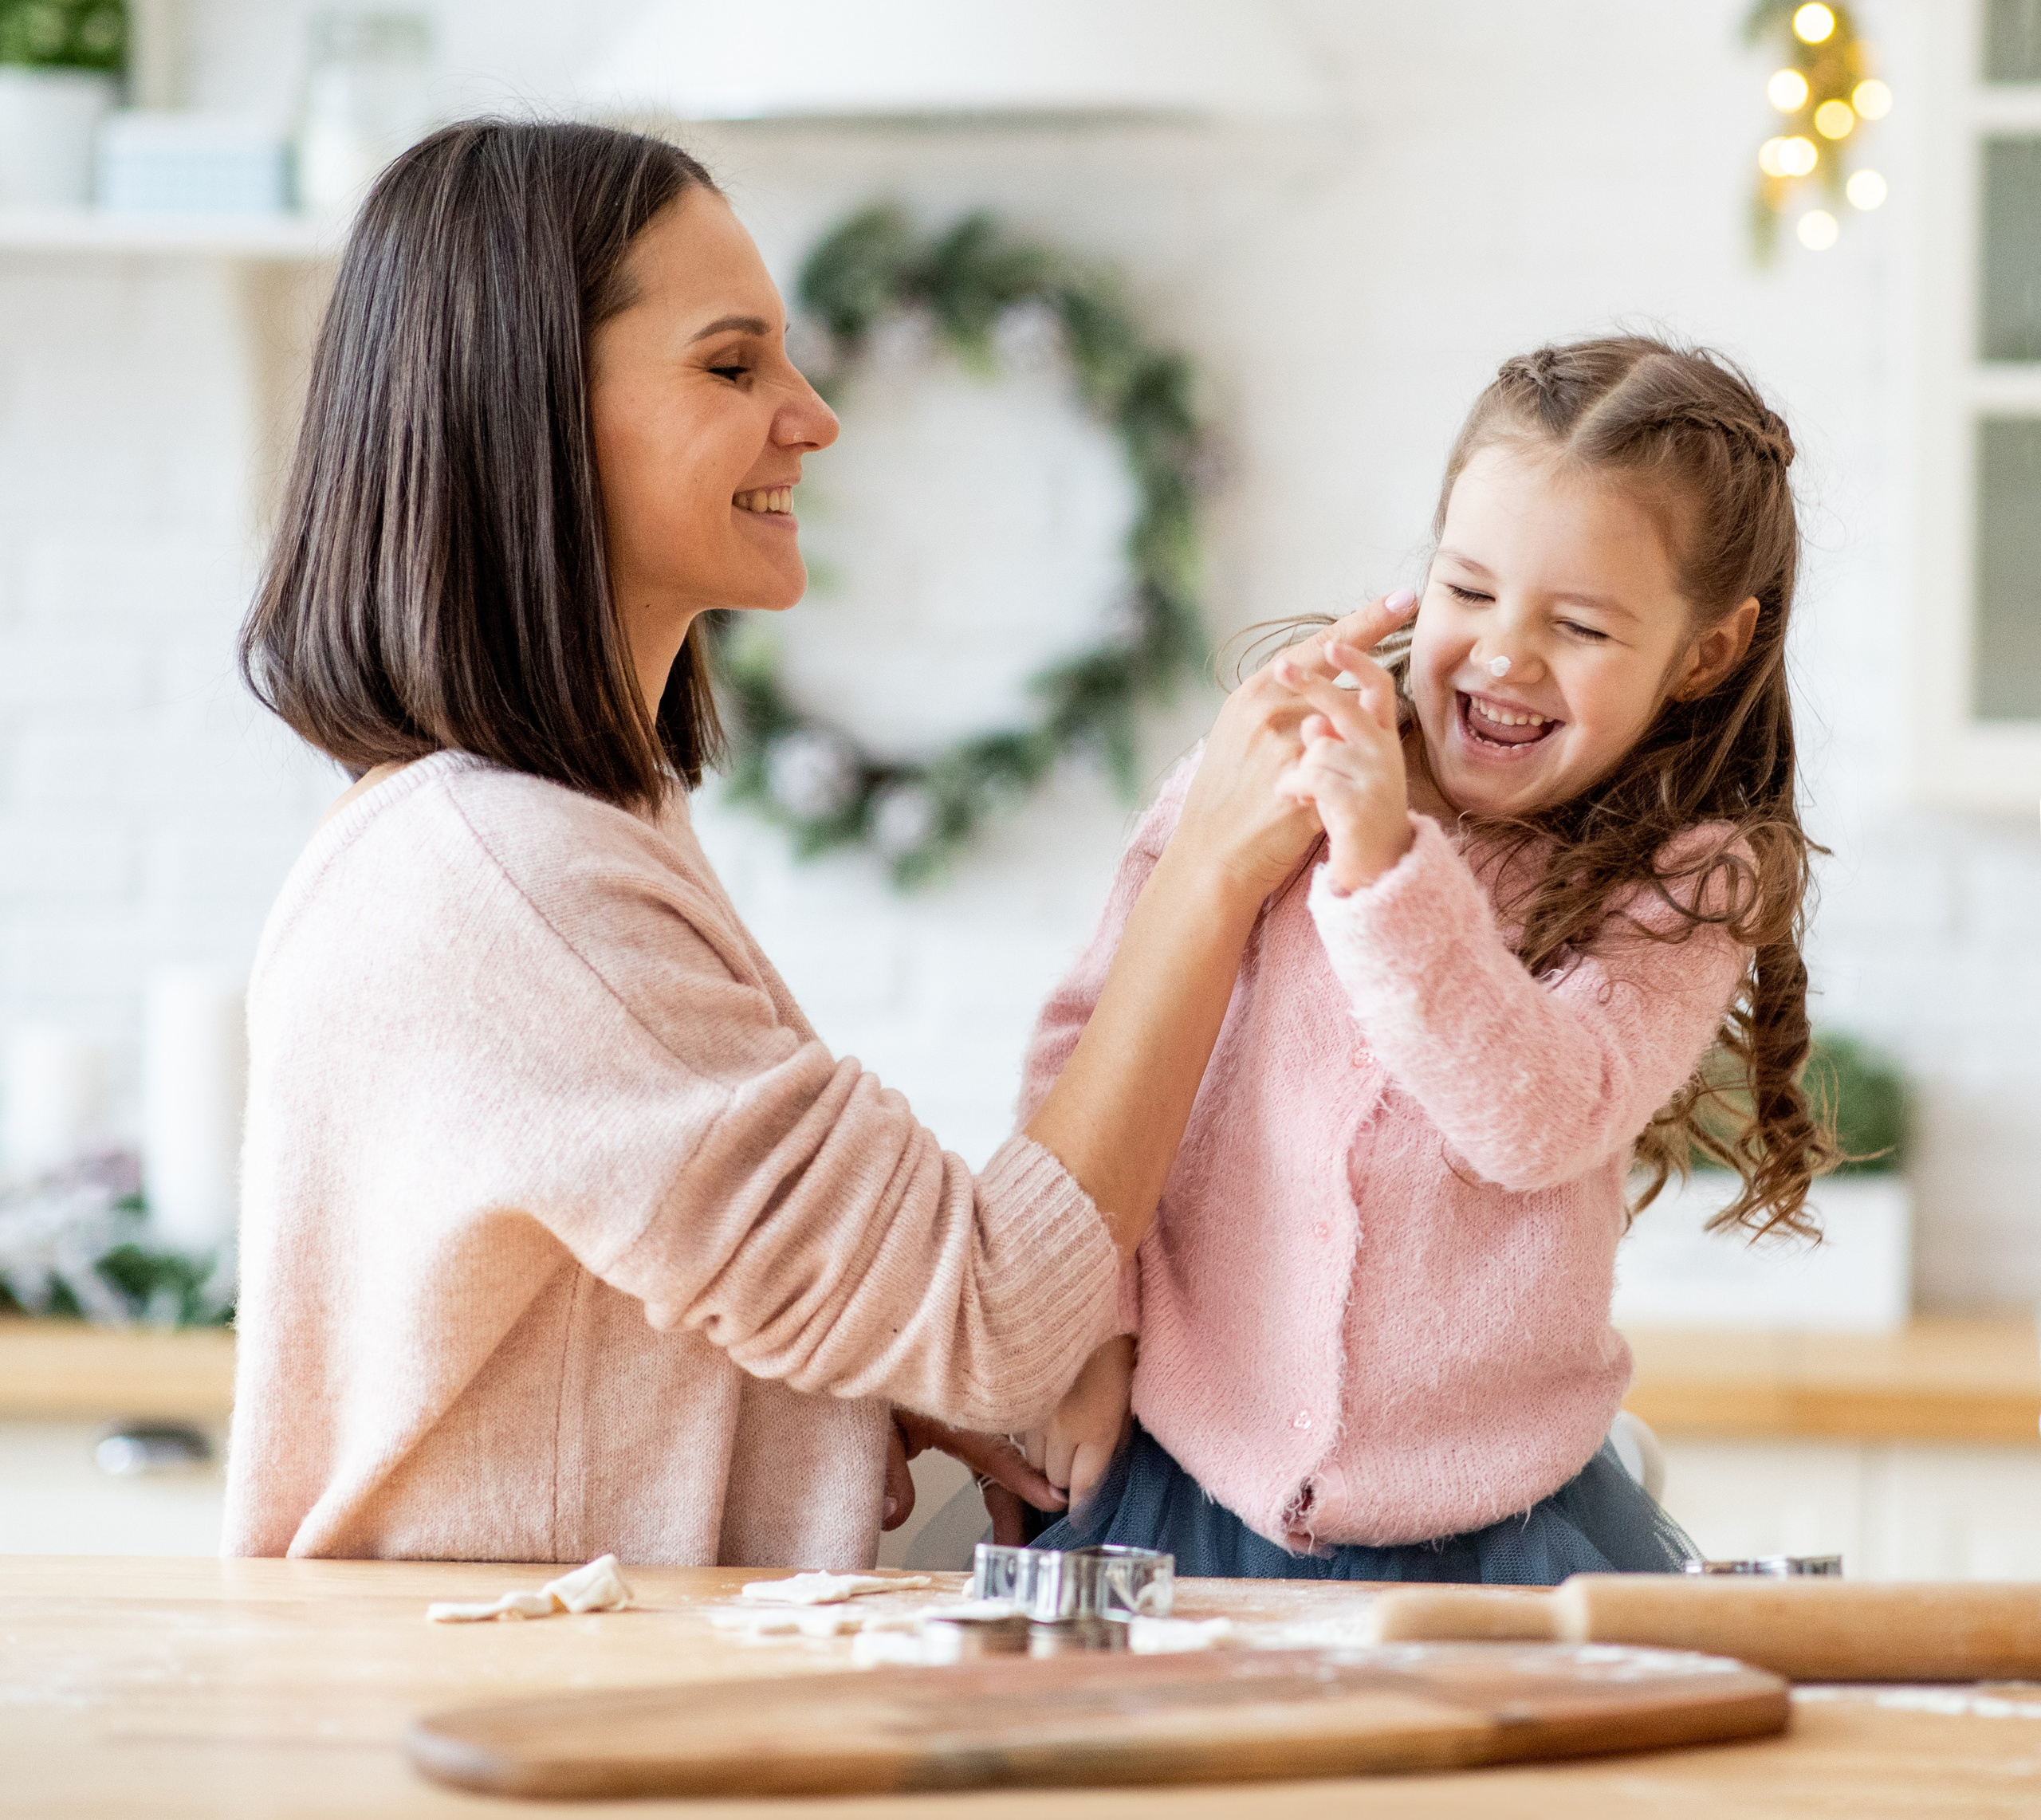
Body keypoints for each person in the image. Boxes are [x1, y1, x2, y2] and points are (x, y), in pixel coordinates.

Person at [221, 119, 1356, 1565]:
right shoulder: (511, 879)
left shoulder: (542, 832)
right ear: (533, 413)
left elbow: (661, 1311)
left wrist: (864, 1402)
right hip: (527, 1721)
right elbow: (995, 1313)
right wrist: (1210, 870)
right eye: (731, 365)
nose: (812, 417)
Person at [1020, 336, 1834, 1581]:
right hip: (1179, 1489)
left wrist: (1386, 868)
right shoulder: (1265, 769)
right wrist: (1088, 1331)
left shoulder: (1685, 883)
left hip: (1491, 1547)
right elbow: (1094, 1045)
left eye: (1577, 624)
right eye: (1467, 590)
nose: (1504, 654)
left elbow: (1537, 1119)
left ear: (1707, 652)